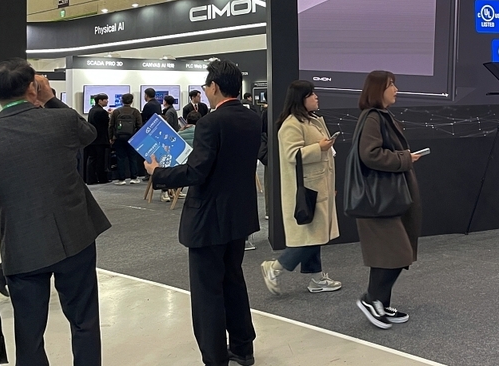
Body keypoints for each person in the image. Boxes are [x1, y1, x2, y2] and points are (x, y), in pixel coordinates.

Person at [0, 59, 111, 366]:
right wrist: (49, 99)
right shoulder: (62, 121)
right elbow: (89, 135)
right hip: (76, 236)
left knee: (29, 334)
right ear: (33, 87)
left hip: (22, 247)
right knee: (84, 321)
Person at [145, 60, 261, 366]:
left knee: (207, 292)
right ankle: (243, 348)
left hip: (208, 219)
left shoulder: (211, 123)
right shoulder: (251, 118)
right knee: (233, 282)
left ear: (215, 87)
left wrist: (158, 173)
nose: (206, 90)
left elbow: (197, 172)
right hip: (238, 215)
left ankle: (215, 357)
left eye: (207, 85)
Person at [354, 70, 423, 329]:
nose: (396, 89)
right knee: (398, 253)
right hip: (380, 201)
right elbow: (370, 154)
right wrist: (404, 158)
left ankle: (380, 303)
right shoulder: (373, 118)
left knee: (387, 255)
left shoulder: (380, 116)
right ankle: (371, 299)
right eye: (391, 85)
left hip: (388, 199)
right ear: (378, 89)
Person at [261, 81, 341, 295]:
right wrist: (319, 148)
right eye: (311, 94)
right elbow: (292, 155)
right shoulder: (291, 124)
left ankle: (316, 278)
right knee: (310, 237)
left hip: (318, 185)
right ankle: (275, 267)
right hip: (307, 189)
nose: (316, 97)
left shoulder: (312, 120)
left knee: (315, 234)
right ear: (300, 98)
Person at [109, 93, 143, 185]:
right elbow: (140, 126)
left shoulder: (116, 112)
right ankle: (134, 178)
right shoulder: (135, 112)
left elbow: (111, 126)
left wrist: (111, 137)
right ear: (132, 101)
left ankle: (121, 179)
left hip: (119, 138)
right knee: (133, 158)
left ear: (122, 101)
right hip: (132, 138)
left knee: (120, 158)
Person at [85, 93, 110, 184]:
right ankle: (102, 178)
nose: (107, 101)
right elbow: (106, 125)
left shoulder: (92, 110)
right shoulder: (102, 112)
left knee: (92, 159)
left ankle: (91, 179)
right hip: (101, 139)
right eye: (105, 100)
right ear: (100, 101)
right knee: (100, 160)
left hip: (93, 139)